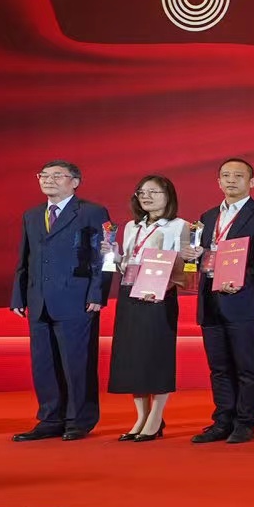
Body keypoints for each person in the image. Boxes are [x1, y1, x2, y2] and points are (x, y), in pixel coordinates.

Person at [11, 160, 112, 442]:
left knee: (76, 362)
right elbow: (25, 258)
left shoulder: (91, 212)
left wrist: (97, 293)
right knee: (43, 362)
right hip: (39, 299)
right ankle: (50, 418)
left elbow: (104, 256)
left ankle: (78, 420)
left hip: (77, 298)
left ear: (75, 182)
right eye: (43, 175)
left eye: (57, 176)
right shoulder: (32, 215)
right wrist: (19, 295)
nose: (48, 180)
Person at [185, 158, 254, 445]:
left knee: (247, 365)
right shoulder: (208, 216)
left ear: (252, 182)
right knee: (219, 366)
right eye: (225, 175)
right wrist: (195, 257)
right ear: (218, 182)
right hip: (210, 299)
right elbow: (206, 255)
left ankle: (245, 421)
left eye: (238, 176)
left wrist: (240, 278)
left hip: (244, 299)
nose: (231, 180)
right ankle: (222, 420)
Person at [107, 175, 187, 441]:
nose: (146, 197)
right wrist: (114, 255)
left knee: (157, 354)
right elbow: (126, 264)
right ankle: (141, 416)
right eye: (142, 192)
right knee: (133, 356)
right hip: (130, 293)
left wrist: (166, 282)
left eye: (154, 192)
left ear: (168, 196)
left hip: (159, 296)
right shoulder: (131, 226)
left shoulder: (180, 226)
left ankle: (156, 415)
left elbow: (184, 268)